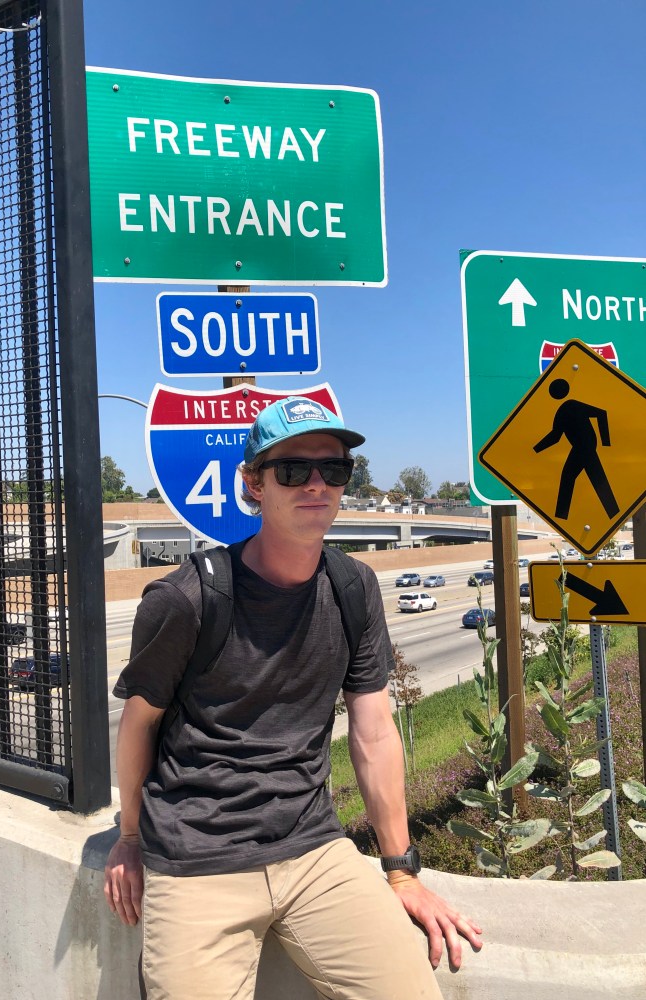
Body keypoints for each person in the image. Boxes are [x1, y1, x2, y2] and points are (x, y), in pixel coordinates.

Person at [104, 396, 482, 999]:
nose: (316, 484)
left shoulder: (354, 586)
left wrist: (401, 870)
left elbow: (374, 732)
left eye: (333, 469)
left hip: (314, 852)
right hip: (198, 857)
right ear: (253, 484)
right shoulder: (185, 599)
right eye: (292, 469)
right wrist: (128, 839)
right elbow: (138, 725)